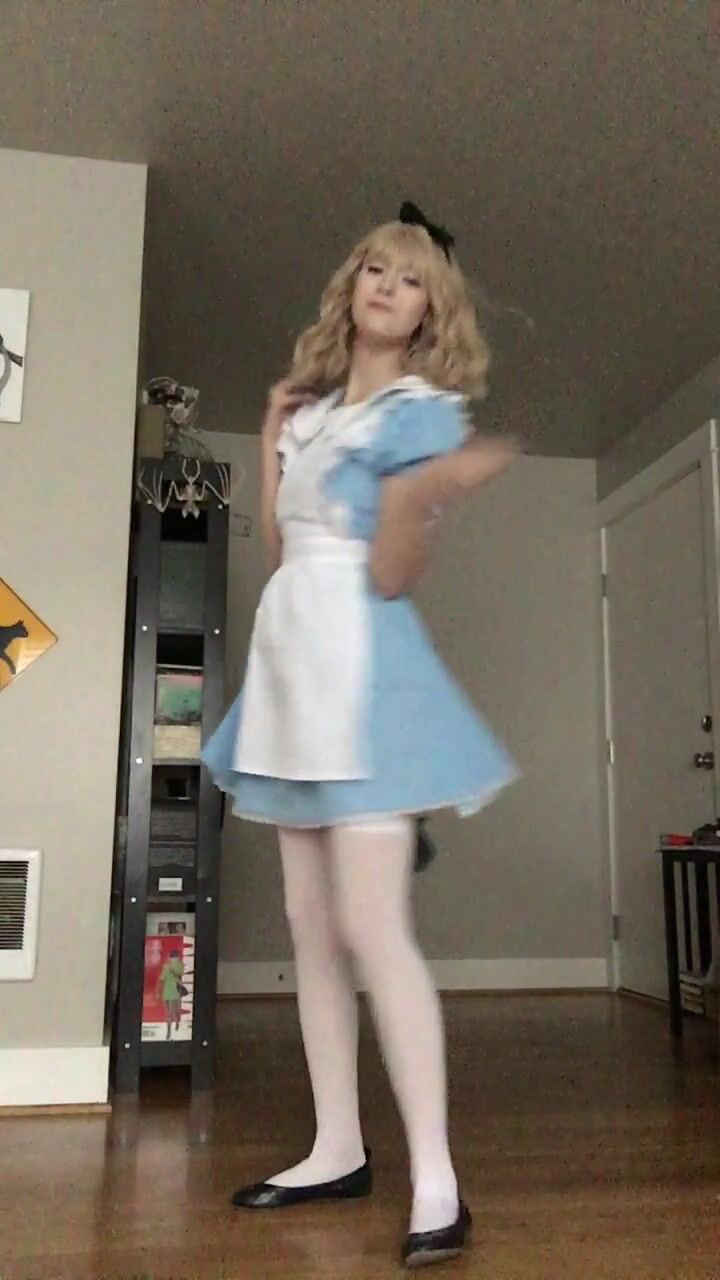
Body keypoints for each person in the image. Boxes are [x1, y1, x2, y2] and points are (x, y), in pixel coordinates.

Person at [202, 202, 517, 1268]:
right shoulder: (311, 414)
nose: (387, 284)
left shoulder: (424, 416)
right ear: (353, 287)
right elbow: (283, 542)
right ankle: (336, 1146)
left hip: (367, 677)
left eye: (410, 276)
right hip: (289, 665)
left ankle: (437, 1180)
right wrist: (267, 433)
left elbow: (390, 574)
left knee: (376, 926)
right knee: (309, 925)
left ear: (432, 307)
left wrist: (414, 497)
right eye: (375, 267)